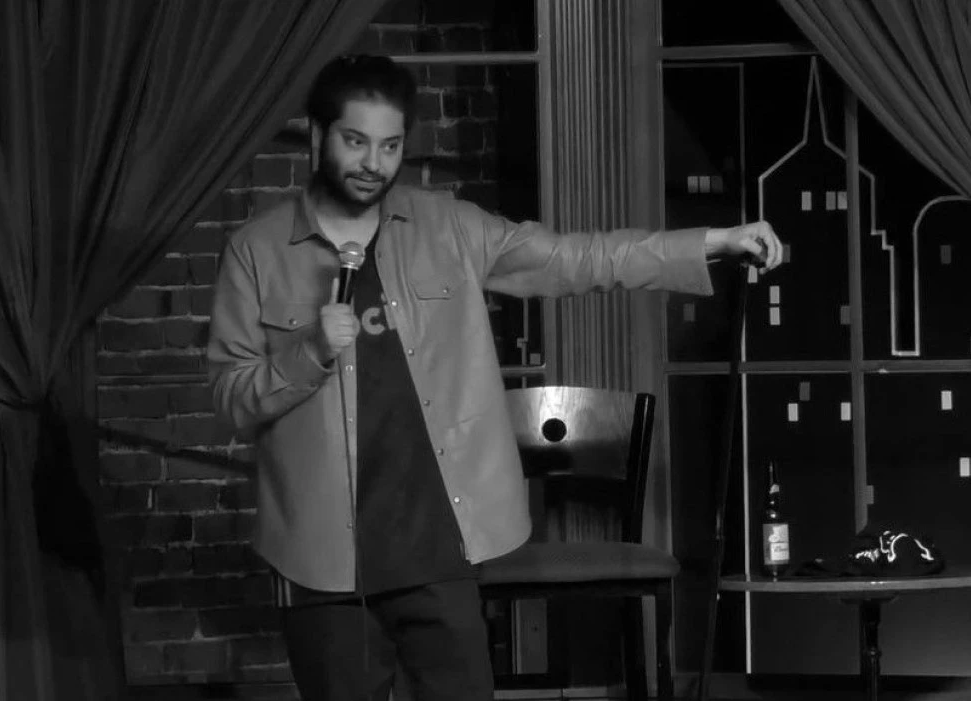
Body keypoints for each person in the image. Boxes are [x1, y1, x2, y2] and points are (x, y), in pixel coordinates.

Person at [207, 54, 782, 701]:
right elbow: (231, 399)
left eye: (390, 145)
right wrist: (309, 349)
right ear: (318, 136)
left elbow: (576, 259)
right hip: (320, 561)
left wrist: (713, 241)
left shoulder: (447, 227)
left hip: (437, 549)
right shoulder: (255, 252)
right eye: (355, 141)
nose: (373, 163)